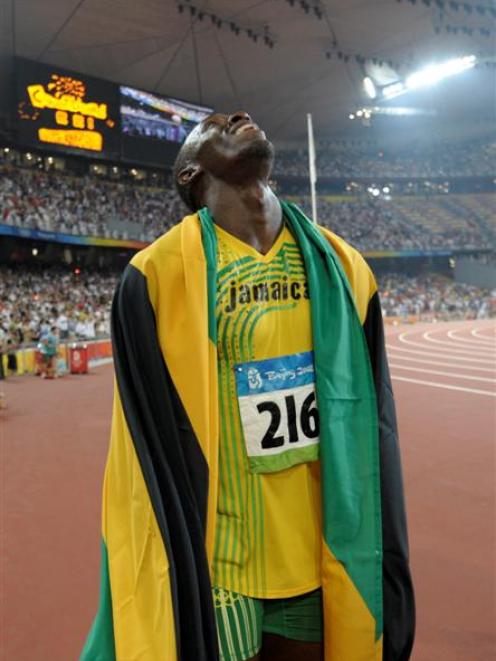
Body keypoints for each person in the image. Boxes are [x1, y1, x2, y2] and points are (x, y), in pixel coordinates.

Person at [82, 112, 415, 661]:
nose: (237, 116)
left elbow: (376, 422)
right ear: (191, 175)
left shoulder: (345, 269)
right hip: (222, 564)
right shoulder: (155, 279)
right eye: (212, 125)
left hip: (321, 552)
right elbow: (145, 445)